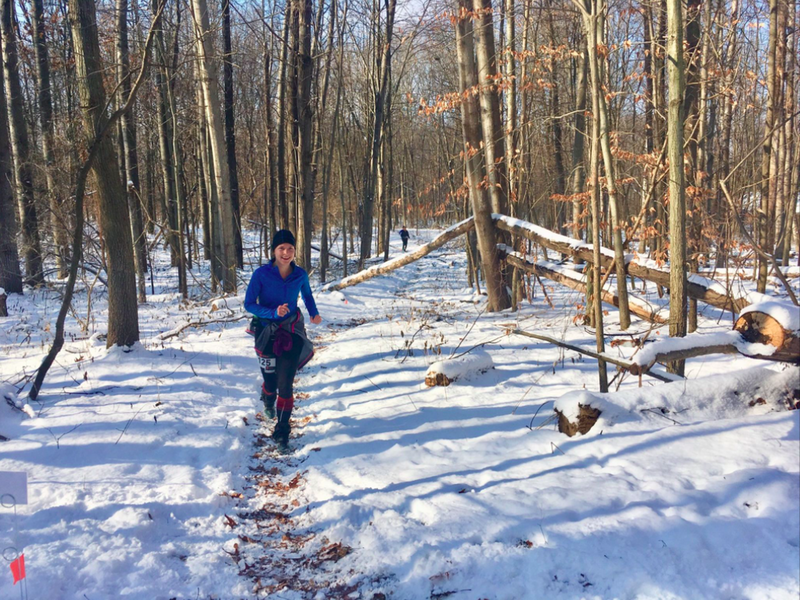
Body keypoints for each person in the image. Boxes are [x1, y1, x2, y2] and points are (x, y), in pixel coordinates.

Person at [245, 230, 322, 452]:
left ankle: (282, 433)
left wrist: (314, 313)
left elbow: (307, 296)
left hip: (291, 330)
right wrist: (272, 312)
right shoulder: (261, 274)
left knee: (285, 383)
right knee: (271, 382)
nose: (286, 253)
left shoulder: (300, 275)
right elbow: (249, 304)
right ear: (273, 251)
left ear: (295, 251)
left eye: (290, 248)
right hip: (265, 331)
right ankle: (267, 398)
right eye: (281, 249)